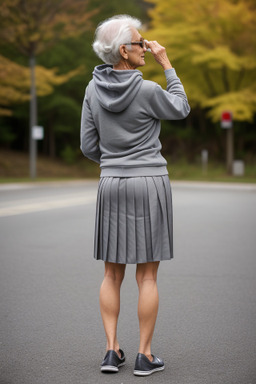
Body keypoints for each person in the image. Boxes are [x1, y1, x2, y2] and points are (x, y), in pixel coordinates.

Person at [80, 14, 190, 377]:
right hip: (149, 183)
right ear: (124, 51)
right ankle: (144, 355)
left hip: (111, 184)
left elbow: (87, 146)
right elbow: (181, 107)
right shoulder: (147, 90)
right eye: (141, 43)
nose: (147, 47)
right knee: (147, 277)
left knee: (112, 275)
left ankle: (111, 351)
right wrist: (167, 64)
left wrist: (113, 163)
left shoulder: (92, 90)